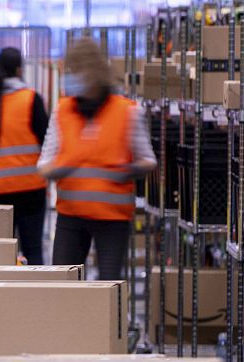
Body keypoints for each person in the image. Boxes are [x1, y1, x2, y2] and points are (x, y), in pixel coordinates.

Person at [38, 38, 156, 281]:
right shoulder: (63, 111)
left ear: (93, 72)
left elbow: (148, 160)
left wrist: (130, 169)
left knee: (109, 289)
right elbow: (44, 163)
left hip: (112, 220)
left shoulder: (128, 111)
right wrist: (58, 169)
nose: (70, 77)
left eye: (75, 71)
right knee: (63, 287)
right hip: (70, 217)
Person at [0, 47, 49, 264]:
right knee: (33, 251)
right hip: (31, 189)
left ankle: (0, 297)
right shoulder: (31, 99)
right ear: (19, 70)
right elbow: (47, 141)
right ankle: (35, 297)